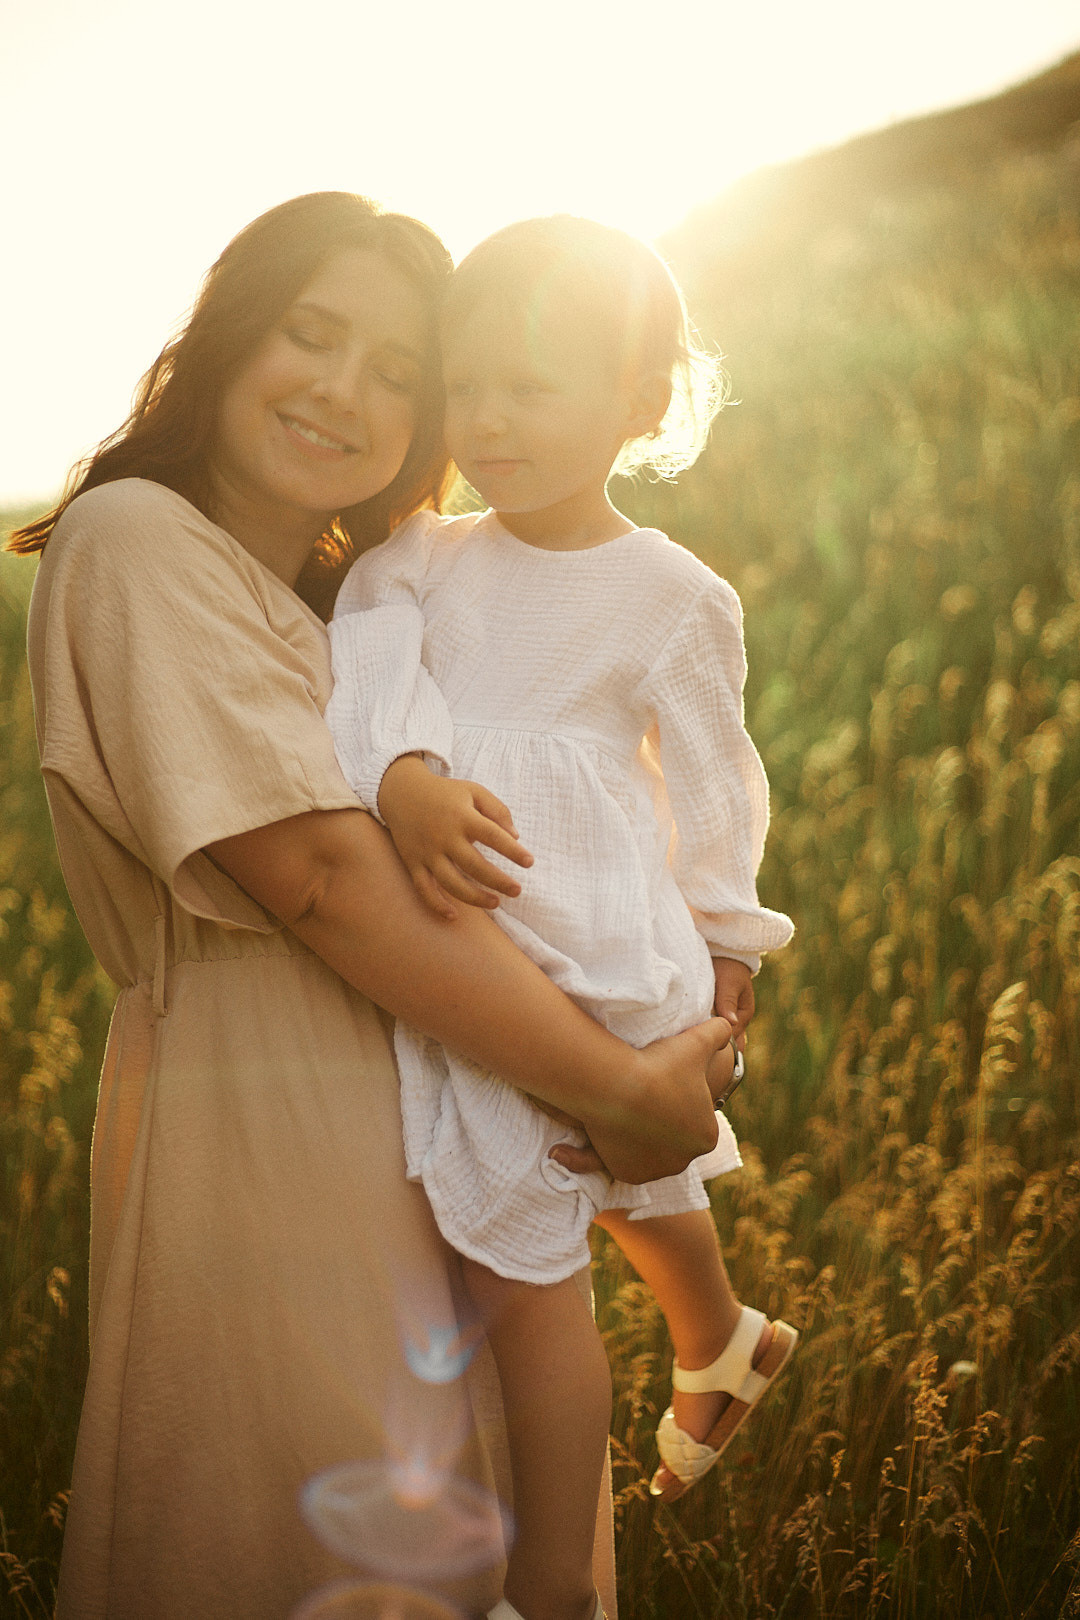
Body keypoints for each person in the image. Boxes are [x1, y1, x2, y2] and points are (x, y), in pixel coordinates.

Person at [8, 193, 735, 1620]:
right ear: (226, 339)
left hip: (449, 1126)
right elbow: (328, 880)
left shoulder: (364, 604)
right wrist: (623, 1091)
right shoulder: (141, 543)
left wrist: (687, 989)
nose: (350, 392)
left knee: (469, 1562)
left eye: (402, 372)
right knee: (300, 1552)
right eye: (313, 335)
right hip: (270, 1153)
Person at [325, 215, 798, 1620]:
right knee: (572, 1238)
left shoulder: (672, 596)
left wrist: (726, 952)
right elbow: (368, 664)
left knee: (610, 1196)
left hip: (616, 929)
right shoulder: (419, 555)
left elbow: (718, 792)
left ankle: (579, 1539)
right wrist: (405, 775)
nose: (495, 418)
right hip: (477, 944)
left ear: (638, 406)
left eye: (540, 384)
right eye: (474, 384)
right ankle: (687, 1390)